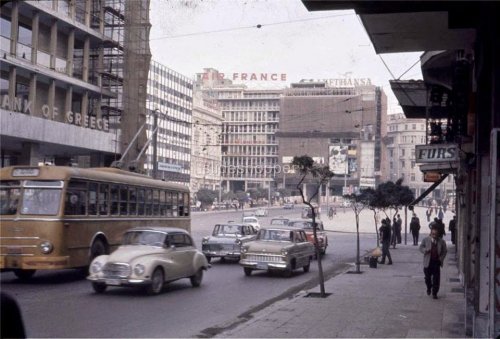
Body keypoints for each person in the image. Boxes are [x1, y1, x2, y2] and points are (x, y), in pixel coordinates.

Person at [419, 225, 447, 299]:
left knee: (436, 278)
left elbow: (444, 251)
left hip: (436, 262)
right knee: (427, 278)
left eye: (436, 234)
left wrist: (441, 259)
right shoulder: (426, 240)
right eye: (433, 234)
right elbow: (421, 247)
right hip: (428, 262)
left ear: (438, 234)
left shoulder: (441, 241)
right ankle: (429, 287)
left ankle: (435, 293)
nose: (434, 236)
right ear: (431, 233)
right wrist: (425, 250)